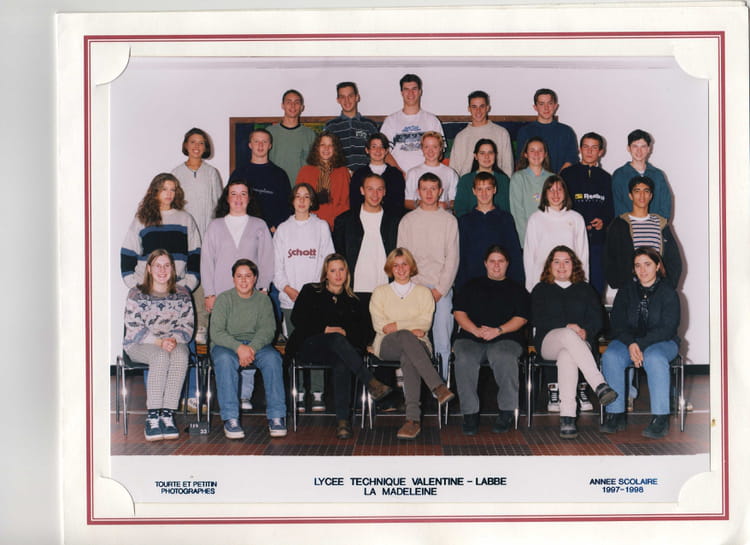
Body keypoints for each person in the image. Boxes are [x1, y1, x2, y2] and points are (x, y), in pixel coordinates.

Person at [285, 254, 392, 440]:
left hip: (340, 352)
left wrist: (344, 334)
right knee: (335, 338)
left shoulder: (353, 300)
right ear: (325, 274)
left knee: (342, 361)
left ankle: (343, 422)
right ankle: (370, 381)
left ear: (347, 272)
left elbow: (362, 333)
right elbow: (298, 319)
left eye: (341, 269)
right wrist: (326, 329)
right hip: (310, 347)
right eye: (333, 270)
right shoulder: (310, 290)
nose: (338, 274)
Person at [201, 180, 274, 413]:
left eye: (243, 193)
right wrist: (209, 293)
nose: (238, 198)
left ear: (249, 198)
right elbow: (207, 261)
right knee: (226, 345)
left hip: (251, 295)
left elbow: (267, 259)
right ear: (227, 198)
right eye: (234, 194)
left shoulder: (259, 225)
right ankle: (229, 396)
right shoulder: (215, 226)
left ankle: (245, 395)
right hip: (222, 297)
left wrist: (263, 288)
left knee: (249, 341)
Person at [530, 246, 617, 439]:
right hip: (548, 342)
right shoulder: (540, 289)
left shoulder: (586, 289)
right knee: (568, 335)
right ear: (549, 266)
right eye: (557, 261)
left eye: (566, 261)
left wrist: (587, 331)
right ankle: (599, 384)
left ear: (574, 265)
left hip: (580, 343)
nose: (562, 266)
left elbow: (598, 319)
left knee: (567, 355)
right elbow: (537, 318)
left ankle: (567, 418)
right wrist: (566, 326)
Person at [369, 248, 455, 440]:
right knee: (406, 337)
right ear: (390, 268)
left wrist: (397, 325)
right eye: (396, 265)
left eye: (404, 264)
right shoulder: (380, 292)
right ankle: (437, 387)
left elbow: (424, 325)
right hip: (386, 345)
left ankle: (412, 421)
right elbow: (381, 326)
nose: (400, 269)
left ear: (411, 267)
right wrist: (409, 327)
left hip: (419, 345)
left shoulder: (424, 293)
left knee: (408, 354)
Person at [600, 247, 680, 439]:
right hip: (629, 342)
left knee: (654, 358)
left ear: (658, 266)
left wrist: (640, 344)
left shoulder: (668, 292)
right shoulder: (626, 290)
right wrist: (631, 343)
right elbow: (617, 323)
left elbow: (667, 328)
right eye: (638, 265)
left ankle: (660, 419)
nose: (642, 270)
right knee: (611, 356)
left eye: (647, 264)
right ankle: (616, 414)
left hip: (662, 342)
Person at [453, 245, 529, 435]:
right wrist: (475, 330)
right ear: (485, 263)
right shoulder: (470, 286)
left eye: (500, 261)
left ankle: (506, 412)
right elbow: (459, 313)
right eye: (492, 261)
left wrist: (498, 330)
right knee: (464, 358)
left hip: (506, 337)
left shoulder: (517, 289)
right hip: (472, 336)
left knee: (503, 356)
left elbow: (521, 318)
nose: (496, 265)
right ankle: (469, 414)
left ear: (507, 264)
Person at [273, 183, 335, 411]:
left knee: (317, 344)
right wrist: (288, 289)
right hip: (290, 300)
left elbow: (328, 261)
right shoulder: (283, 229)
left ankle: (317, 392)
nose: (301, 200)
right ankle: (298, 391)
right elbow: (276, 267)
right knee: (296, 345)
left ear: (311, 201)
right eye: (298, 196)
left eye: (306, 197)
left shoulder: (321, 227)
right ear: (292, 200)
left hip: (316, 300)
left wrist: (316, 292)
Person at [210, 259, 288, 439]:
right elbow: (216, 332)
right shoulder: (224, 299)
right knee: (224, 360)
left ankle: (277, 417)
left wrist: (250, 348)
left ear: (255, 278)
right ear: (233, 279)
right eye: (239, 276)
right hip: (227, 345)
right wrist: (239, 348)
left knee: (273, 359)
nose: (244, 280)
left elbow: (268, 330)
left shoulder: (263, 300)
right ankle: (231, 419)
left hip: (255, 345)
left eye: (248, 276)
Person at [123, 250, 194, 441]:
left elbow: (187, 325)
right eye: (157, 266)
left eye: (166, 265)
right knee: (160, 356)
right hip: (141, 343)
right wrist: (159, 342)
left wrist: (172, 339)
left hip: (174, 342)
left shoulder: (182, 293)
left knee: (181, 356)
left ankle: (167, 415)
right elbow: (134, 327)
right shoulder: (136, 294)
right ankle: (153, 416)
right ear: (149, 268)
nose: (162, 270)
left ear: (172, 268)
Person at [397, 172, 459, 379]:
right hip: (414, 288)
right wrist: (413, 288)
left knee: (442, 340)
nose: (429, 193)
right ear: (418, 191)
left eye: (433, 189)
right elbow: (402, 259)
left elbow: (452, 259)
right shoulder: (407, 221)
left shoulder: (449, 221)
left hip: (441, 289)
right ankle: (413, 385)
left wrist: (440, 291)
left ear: (440, 191)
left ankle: (441, 386)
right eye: (425, 189)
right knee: (413, 339)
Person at [171, 128, 222, 345]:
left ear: (205, 147)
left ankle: (202, 325)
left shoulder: (211, 173)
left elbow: (219, 206)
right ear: (186, 145)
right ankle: (182, 325)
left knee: (204, 281)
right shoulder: (176, 173)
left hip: (207, 237)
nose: (196, 146)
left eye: (201, 142)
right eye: (192, 142)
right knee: (184, 280)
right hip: (183, 238)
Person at [333, 173, 400, 336]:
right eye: (370, 189)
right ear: (362, 190)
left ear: (385, 192)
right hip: (355, 290)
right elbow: (339, 256)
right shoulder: (344, 220)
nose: (375, 194)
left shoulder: (396, 221)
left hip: (385, 289)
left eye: (379, 189)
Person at [121, 172, 201, 292]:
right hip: (146, 288)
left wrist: (188, 285)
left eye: (172, 190)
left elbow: (195, 254)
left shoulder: (185, 219)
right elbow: (128, 253)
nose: (169, 194)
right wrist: (136, 286)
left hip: (177, 287)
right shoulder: (142, 219)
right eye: (164, 189)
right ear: (155, 192)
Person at [560, 132, 614, 295]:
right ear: (579, 149)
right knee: (571, 282)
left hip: (597, 241)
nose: (589, 151)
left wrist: (603, 221)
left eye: (594, 148)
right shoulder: (567, 174)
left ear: (601, 152)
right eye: (586, 147)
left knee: (596, 283)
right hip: (572, 239)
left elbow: (610, 207)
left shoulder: (607, 178)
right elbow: (560, 205)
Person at [605, 176, 682, 290]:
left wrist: (667, 286)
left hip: (657, 289)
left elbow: (674, 259)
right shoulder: (619, 224)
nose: (642, 195)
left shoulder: (661, 224)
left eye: (646, 191)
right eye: (637, 191)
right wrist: (622, 285)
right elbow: (609, 258)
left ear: (650, 196)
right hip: (630, 290)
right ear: (630, 196)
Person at [456, 171, 523, 290]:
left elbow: (514, 253)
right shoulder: (465, 221)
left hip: (500, 281)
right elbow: (461, 256)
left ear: (494, 190)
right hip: (472, 281)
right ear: (474, 191)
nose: (484, 194)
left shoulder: (505, 218)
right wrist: (460, 287)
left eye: (488, 189)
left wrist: (517, 284)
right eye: (480, 189)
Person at [523, 175, 589, 292]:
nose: (556, 194)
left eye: (559, 189)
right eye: (551, 190)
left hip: (570, 282)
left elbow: (583, 254)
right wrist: (530, 286)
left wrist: (584, 284)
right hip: (542, 281)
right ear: (545, 194)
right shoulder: (535, 219)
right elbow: (529, 255)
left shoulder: (576, 218)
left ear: (565, 192)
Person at [228, 128, 291, 232]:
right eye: (256, 141)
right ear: (250, 145)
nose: (260, 145)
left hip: (271, 232)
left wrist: (276, 226)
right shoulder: (239, 173)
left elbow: (288, 206)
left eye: (264, 142)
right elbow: (228, 201)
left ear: (270, 146)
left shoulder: (280, 175)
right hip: (243, 231)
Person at [380, 74, 444, 173]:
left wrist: (426, 172)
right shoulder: (391, 121)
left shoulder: (432, 120)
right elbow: (383, 152)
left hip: (427, 176)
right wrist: (400, 174)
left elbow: (440, 152)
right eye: (406, 89)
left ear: (420, 92)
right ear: (401, 92)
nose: (410, 93)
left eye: (414, 89)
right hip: (398, 175)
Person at [449, 90, 513, 176]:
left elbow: (508, 168)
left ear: (487, 108)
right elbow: (454, 170)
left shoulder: (501, 133)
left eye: (482, 106)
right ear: (469, 109)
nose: (478, 111)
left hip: (495, 182)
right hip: (467, 182)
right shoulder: (461, 137)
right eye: (474, 107)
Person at [295, 131, 350, 229]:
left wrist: (334, 224)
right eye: (322, 145)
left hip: (336, 224)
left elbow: (345, 203)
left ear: (335, 149)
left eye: (330, 145)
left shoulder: (343, 172)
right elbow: (298, 201)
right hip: (309, 223)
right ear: (317, 148)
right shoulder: (305, 171)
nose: (326, 148)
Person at [611, 129, 672, 219]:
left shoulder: (658, 175)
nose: (639, 151)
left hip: (655, 226)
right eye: (635, 146)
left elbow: (665, 206)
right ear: (628, 148)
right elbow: (618, 206)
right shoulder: (620, 175)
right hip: (628, 226)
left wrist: (653, 224)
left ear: (648, 149)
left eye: (643, 146)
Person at [515, 88, 579, 173]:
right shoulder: (525, 131)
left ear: (555, 106)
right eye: (541, 104)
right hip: (533, 179)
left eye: (550, 103)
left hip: (560, 179)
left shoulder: (567, 131)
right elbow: (521, 160)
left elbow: (572, 159)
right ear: (535, 107)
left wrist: (557, 178)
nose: (546, 108)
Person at [323, 81, 379, 173]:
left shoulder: (369, 125)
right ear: (338, 100)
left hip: (366, 175)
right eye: (342, 97)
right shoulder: (330, 126)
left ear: (357, 97)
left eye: (350, 96)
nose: (347, 100)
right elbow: (325, 155)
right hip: (340, 175)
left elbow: (378, 151)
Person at [509, 137, 554, 245]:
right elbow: (517, 214)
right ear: (525, 154)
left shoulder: (553, 178)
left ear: (545, 154)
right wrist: (528, 240)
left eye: (540, 150)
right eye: (532, 150)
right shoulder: (518, 178)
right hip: (527, 239)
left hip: (550, 237)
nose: (536, 154)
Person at [267, 89, 316, 184]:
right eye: (289, 102)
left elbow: (314, 165)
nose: (293, 106)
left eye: (296, 102)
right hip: (275, 185)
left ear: (302, 107)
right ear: (282, 105)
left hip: (302, 188)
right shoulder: (270, 132)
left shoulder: (310, 134)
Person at [349, 133, 406, 216]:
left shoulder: (396, 174)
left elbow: (399, 203)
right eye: (374, 147)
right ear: (367, 150)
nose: (378, 150)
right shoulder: (359, 174)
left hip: (391, 219)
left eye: (382, 147)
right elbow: (354, 202)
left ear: (386, 150)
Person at [453, 138, 512, 218]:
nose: (486, 156)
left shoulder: (503, 180)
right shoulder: (466, 180)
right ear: (475, 156)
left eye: (490, 153)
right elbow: (460, 210)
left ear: (495, 155)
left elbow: (507, 209)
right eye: (482, 153)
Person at [403, 131, 458, 210]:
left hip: (443, 215)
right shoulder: (413, 173)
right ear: (422, 148)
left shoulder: (450, 173)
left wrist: (446, 205)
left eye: (435, 147)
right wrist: (421, 204)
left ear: (441, 148)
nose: (430, 151)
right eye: (426, 147)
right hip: (421, 215)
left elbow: (455, 201)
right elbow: (407, 202)